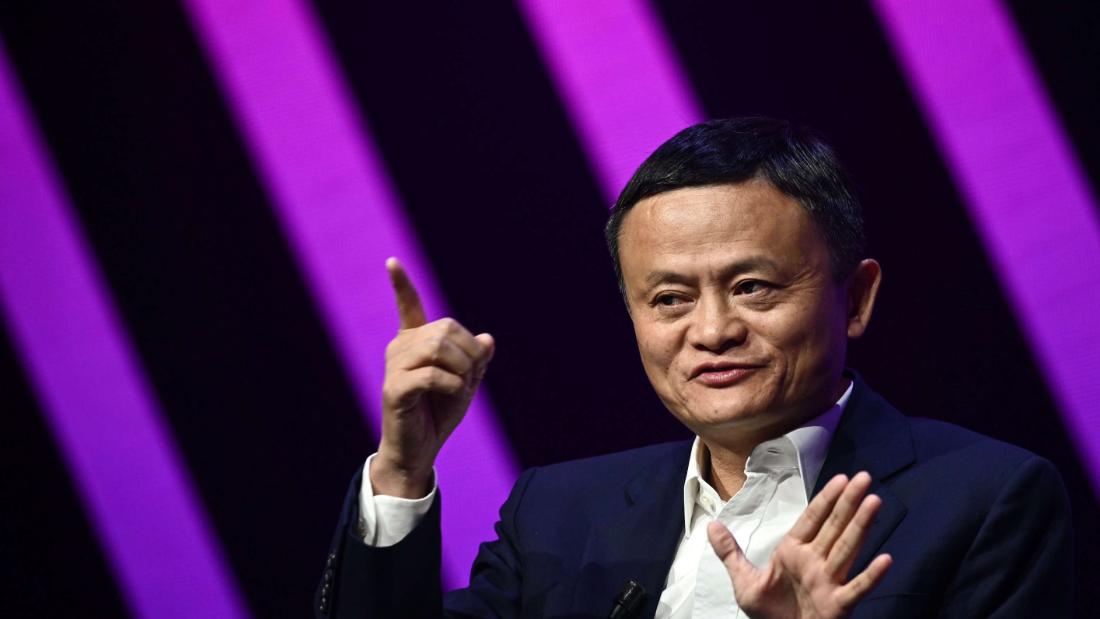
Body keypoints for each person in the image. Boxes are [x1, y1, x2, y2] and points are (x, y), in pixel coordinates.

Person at [315, 118, 1073, 618]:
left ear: (856, 298)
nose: (712, 331)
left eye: (753, 287)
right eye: (670, 299)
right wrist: (403, 471)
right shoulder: (557, 512)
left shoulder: (986, 500)